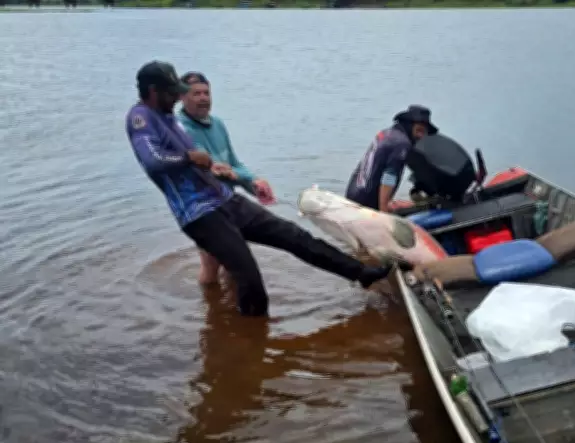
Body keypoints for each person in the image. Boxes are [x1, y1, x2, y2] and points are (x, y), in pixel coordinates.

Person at [125, 60, 404, 317]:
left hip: (225, 199)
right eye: (173, 92)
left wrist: (220, 171)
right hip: (200, 214)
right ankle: (253, 345)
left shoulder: (169, 117)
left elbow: (200, 163)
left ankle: (362, 273)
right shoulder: (141, 118)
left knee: (293, 236)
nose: (177, 97)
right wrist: (189, 158)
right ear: (153, 91)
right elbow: (152, 159)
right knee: (248, 275)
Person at [176, 71, 274, 285]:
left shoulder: (217, 124)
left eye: (206, 93)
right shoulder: (179, 129)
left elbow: (233, 163)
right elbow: (211, 169)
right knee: (211, 264)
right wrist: (232, 173)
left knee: (236, 262)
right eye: (196, 94)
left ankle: (226, 312)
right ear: (181, 97)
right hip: (203, 209)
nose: (203, 98)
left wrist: (254, 182)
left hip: (228, 202)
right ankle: (211, 311)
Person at [345, 105, 438, 212]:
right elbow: (389, 177)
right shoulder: (402, 144)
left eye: (424, 132)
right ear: (409, 124)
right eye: (419, 130)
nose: (421, 136)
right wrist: (384, 210)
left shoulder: (386, 133)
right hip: (366, 203)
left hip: (353, 195)